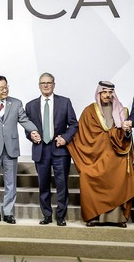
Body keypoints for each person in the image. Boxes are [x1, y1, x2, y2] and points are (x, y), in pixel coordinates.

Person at [67, 81, 134, 227]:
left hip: (117, 158)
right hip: (95, 157)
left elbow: (126, 138)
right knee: (88, 176)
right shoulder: (89, 111)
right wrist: (66, 140)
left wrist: (126, 132)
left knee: (119, 181)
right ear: (99, 93)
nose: (108, 95)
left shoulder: (122, 111)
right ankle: (94, 217)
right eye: (104, 92)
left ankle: (118, 218)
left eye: (110, 93)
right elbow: (81, 136)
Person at [0, 74, 40, 224]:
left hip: (11, 149)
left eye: (6, 87)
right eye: (1, 88)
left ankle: (8, 212)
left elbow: (24, 120)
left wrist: (33, 131)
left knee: (10, 183)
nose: (5, 90)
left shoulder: (16, 103)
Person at [24, 73, 78, 226]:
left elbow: (74, 124)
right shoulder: (30, 105)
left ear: (54, 84)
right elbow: (28, 129)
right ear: (39, 85)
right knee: (43, 185)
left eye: (49, 83)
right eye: (43, 83)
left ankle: (61, 216)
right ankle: (46, 215)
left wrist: (65, 138)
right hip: (41, 150)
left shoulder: (64, 102)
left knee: (62, 185)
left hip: (60, 150)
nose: (46, 85)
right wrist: (31, 135)